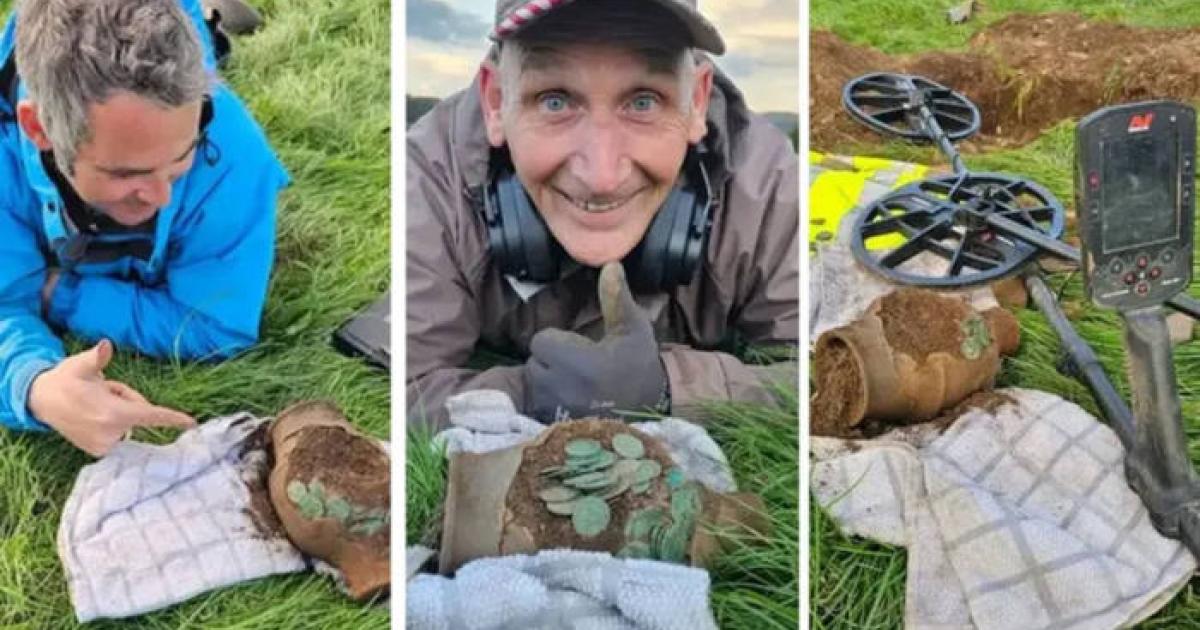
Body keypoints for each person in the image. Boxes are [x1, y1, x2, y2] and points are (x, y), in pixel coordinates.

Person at [407, 0, 799, 428]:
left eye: (644, 102)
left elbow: (817, 375)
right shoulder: (431, 173)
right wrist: (529, 394)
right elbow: (406, 387)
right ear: (495, 101)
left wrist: (672, 387)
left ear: (698, 102)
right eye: (554, 101)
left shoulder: (766, 182)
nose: (602, 177)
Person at [0, 0, 288, 456]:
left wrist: (61, 294)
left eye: (179, 162)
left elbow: (216, 324)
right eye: (126, 173)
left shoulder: (234, 153)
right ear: (37, 130)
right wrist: (35, 383)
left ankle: (214, 16)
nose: (162, 197)